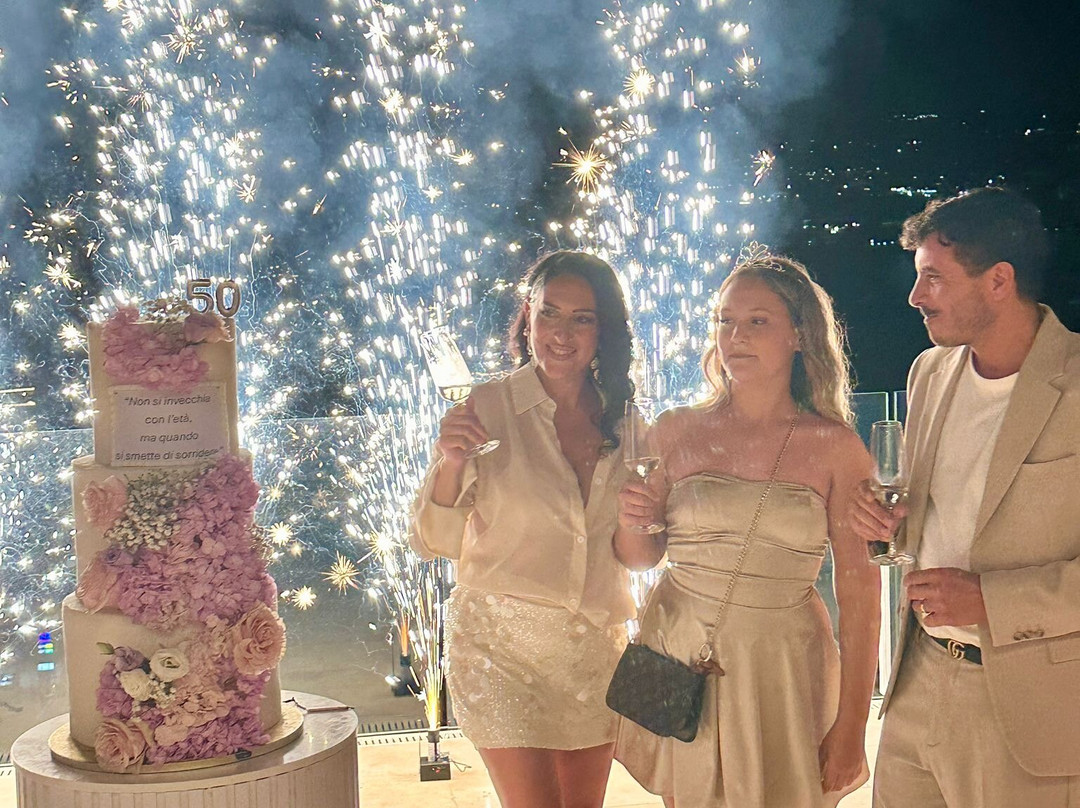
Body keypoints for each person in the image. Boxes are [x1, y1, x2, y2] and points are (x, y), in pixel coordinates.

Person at [614, 251, 880, 807]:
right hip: (678, 654)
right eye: (725, 320)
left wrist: (853, 724)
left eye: (757, 320)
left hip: (783, 667)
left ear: (800, 335)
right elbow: (640, 557)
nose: (735, 336)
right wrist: (634, 516)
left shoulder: (837, 448)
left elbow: (860, 595)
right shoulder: (675, 430)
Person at [850, 186, 1080, 806]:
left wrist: (990, 601)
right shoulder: (930, 372)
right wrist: (884, 522)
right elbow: (929, 514)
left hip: (1030, 710)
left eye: (933, 277)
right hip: (917, 680)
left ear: (999, 280)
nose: (914, 296)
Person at [409, 250, 637, 808]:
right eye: (549, 312)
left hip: (592, 653)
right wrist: (452, 463)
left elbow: (637, 553)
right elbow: (431, 541)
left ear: (603, 330)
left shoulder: (626, 420)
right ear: (528, 317)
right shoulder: (487, 406)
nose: (562, 333)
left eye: (582, 318)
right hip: (500, 650)